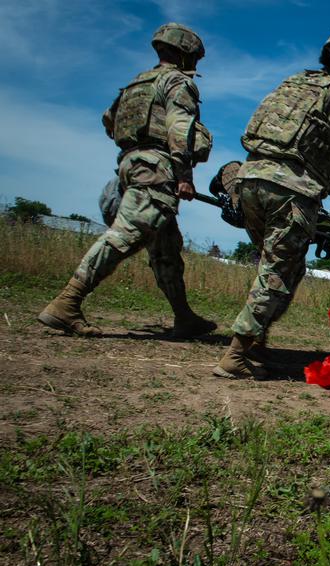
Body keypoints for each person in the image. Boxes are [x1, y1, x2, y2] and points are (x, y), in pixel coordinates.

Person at [214, 27, 330, 380]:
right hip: (291, 192)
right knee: (277, 272)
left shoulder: (292, 85)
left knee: (282, 268)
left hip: (250, 179)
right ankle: (236, 354)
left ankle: (256, 343)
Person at [38, 23, 216, 340]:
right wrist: (183, 174)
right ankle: (67, 302)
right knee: (127, 234)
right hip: (156, 167)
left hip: (131, 163)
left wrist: (133, 148)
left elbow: (110, 121)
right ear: (186, 53)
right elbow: (181, 128)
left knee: (166, 248)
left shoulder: (136, 84)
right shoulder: (176, 82)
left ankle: (184, 317)